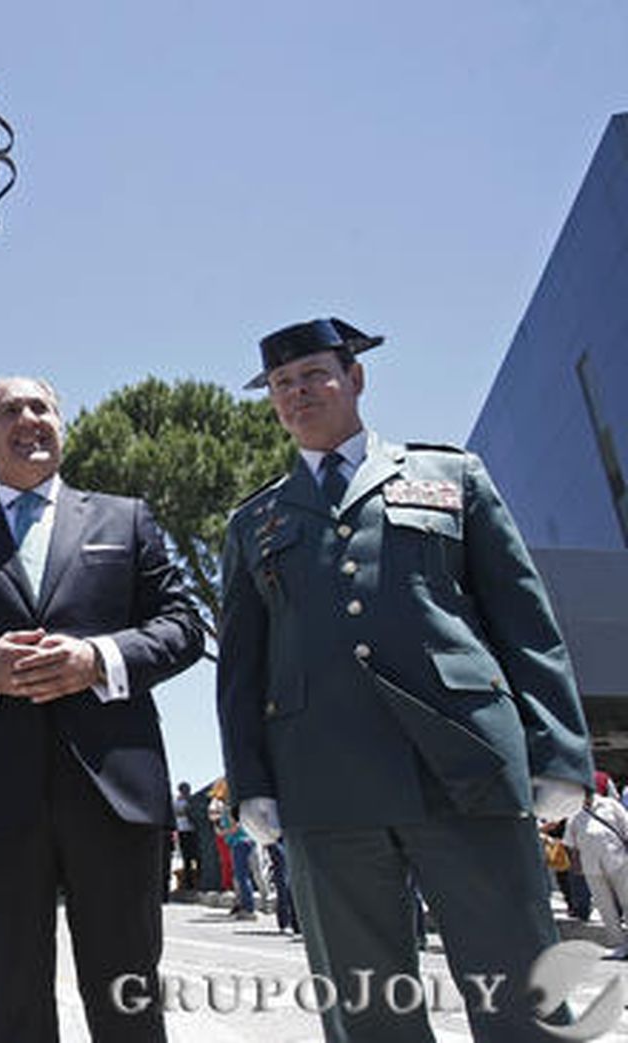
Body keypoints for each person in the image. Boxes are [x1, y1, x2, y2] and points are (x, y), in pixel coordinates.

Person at [217, 317, 594, 1041]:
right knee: (367, 1008)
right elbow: (241, 668)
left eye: (314, 375)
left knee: (522, 988)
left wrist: (558, 751)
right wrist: (252, 779)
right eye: (280, 384)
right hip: (324, 782)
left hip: (466, 763)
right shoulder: (254, 521)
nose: (297, 393)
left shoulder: (452, 475)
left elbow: (524, 621)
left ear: (355, 377)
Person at [0, 375, 205, 1042]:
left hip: (115, 797)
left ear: (62, 424)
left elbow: (183, 628)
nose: (29, 419)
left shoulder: (127, 518)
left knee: (128, 995)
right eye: (9, 410)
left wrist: (99, 659)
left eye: (42, 407)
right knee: (13, 996)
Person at [564, 783, 628, 956]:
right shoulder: (574, 812)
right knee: (605, 907)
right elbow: (571, 842)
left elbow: (626, 828)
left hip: (618, 860)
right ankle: (619, 945)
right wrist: (576, 865)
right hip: (591, 866)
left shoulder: (610, 805)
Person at [174, 781, 200, 894]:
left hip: (192, 831)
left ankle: (196, 881)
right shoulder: (178, 802)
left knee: (196, 857)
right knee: (187, 858)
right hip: (184, 831)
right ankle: (189, 883)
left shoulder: (192, 800)